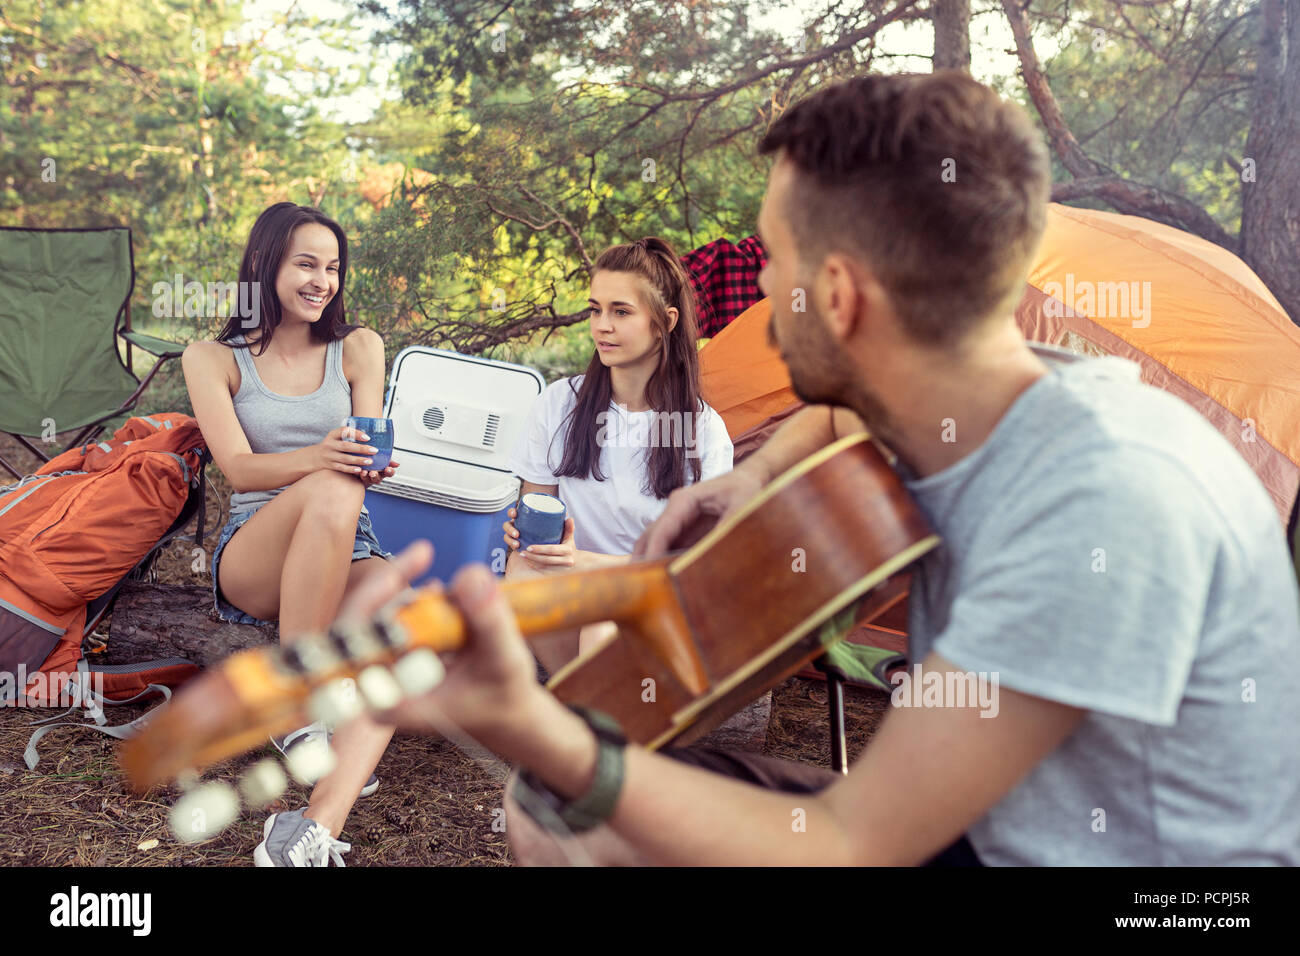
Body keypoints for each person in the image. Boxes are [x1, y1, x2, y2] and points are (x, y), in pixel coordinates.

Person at [340, 71, 1300, 866]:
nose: (755, 288)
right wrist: (751, 481)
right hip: (984, 829)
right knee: (558, 818)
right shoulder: (993, 387)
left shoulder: (1102, 500)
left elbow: (853, 843)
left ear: (837, 293)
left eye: (774, 262)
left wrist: (527, 721)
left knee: (568, 780)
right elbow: (841, 410)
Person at [182, 202, 400, 867]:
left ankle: (311, 830)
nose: (322, 281)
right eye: (306, 264)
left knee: (405, 625)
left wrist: (372, 464)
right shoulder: (214, 358)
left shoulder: (358, 347)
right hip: (257, 551)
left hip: (346, 546)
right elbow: (240, 469)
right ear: (264, 264)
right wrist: (326, 461)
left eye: (332, 268)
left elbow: (362, 462)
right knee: (334, 485)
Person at [501, 237, 733, 673]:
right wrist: (524, 535)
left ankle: (593, 716)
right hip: (575, 596)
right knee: (523, 571)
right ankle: (581, 704)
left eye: (620, 312)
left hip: (657, 604)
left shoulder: (704, 431)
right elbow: (536, 511)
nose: (601, 326)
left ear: (665, 322)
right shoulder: (559, 403)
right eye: (595, 309)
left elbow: (695, 567)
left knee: (605, 622)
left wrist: (584, 562)